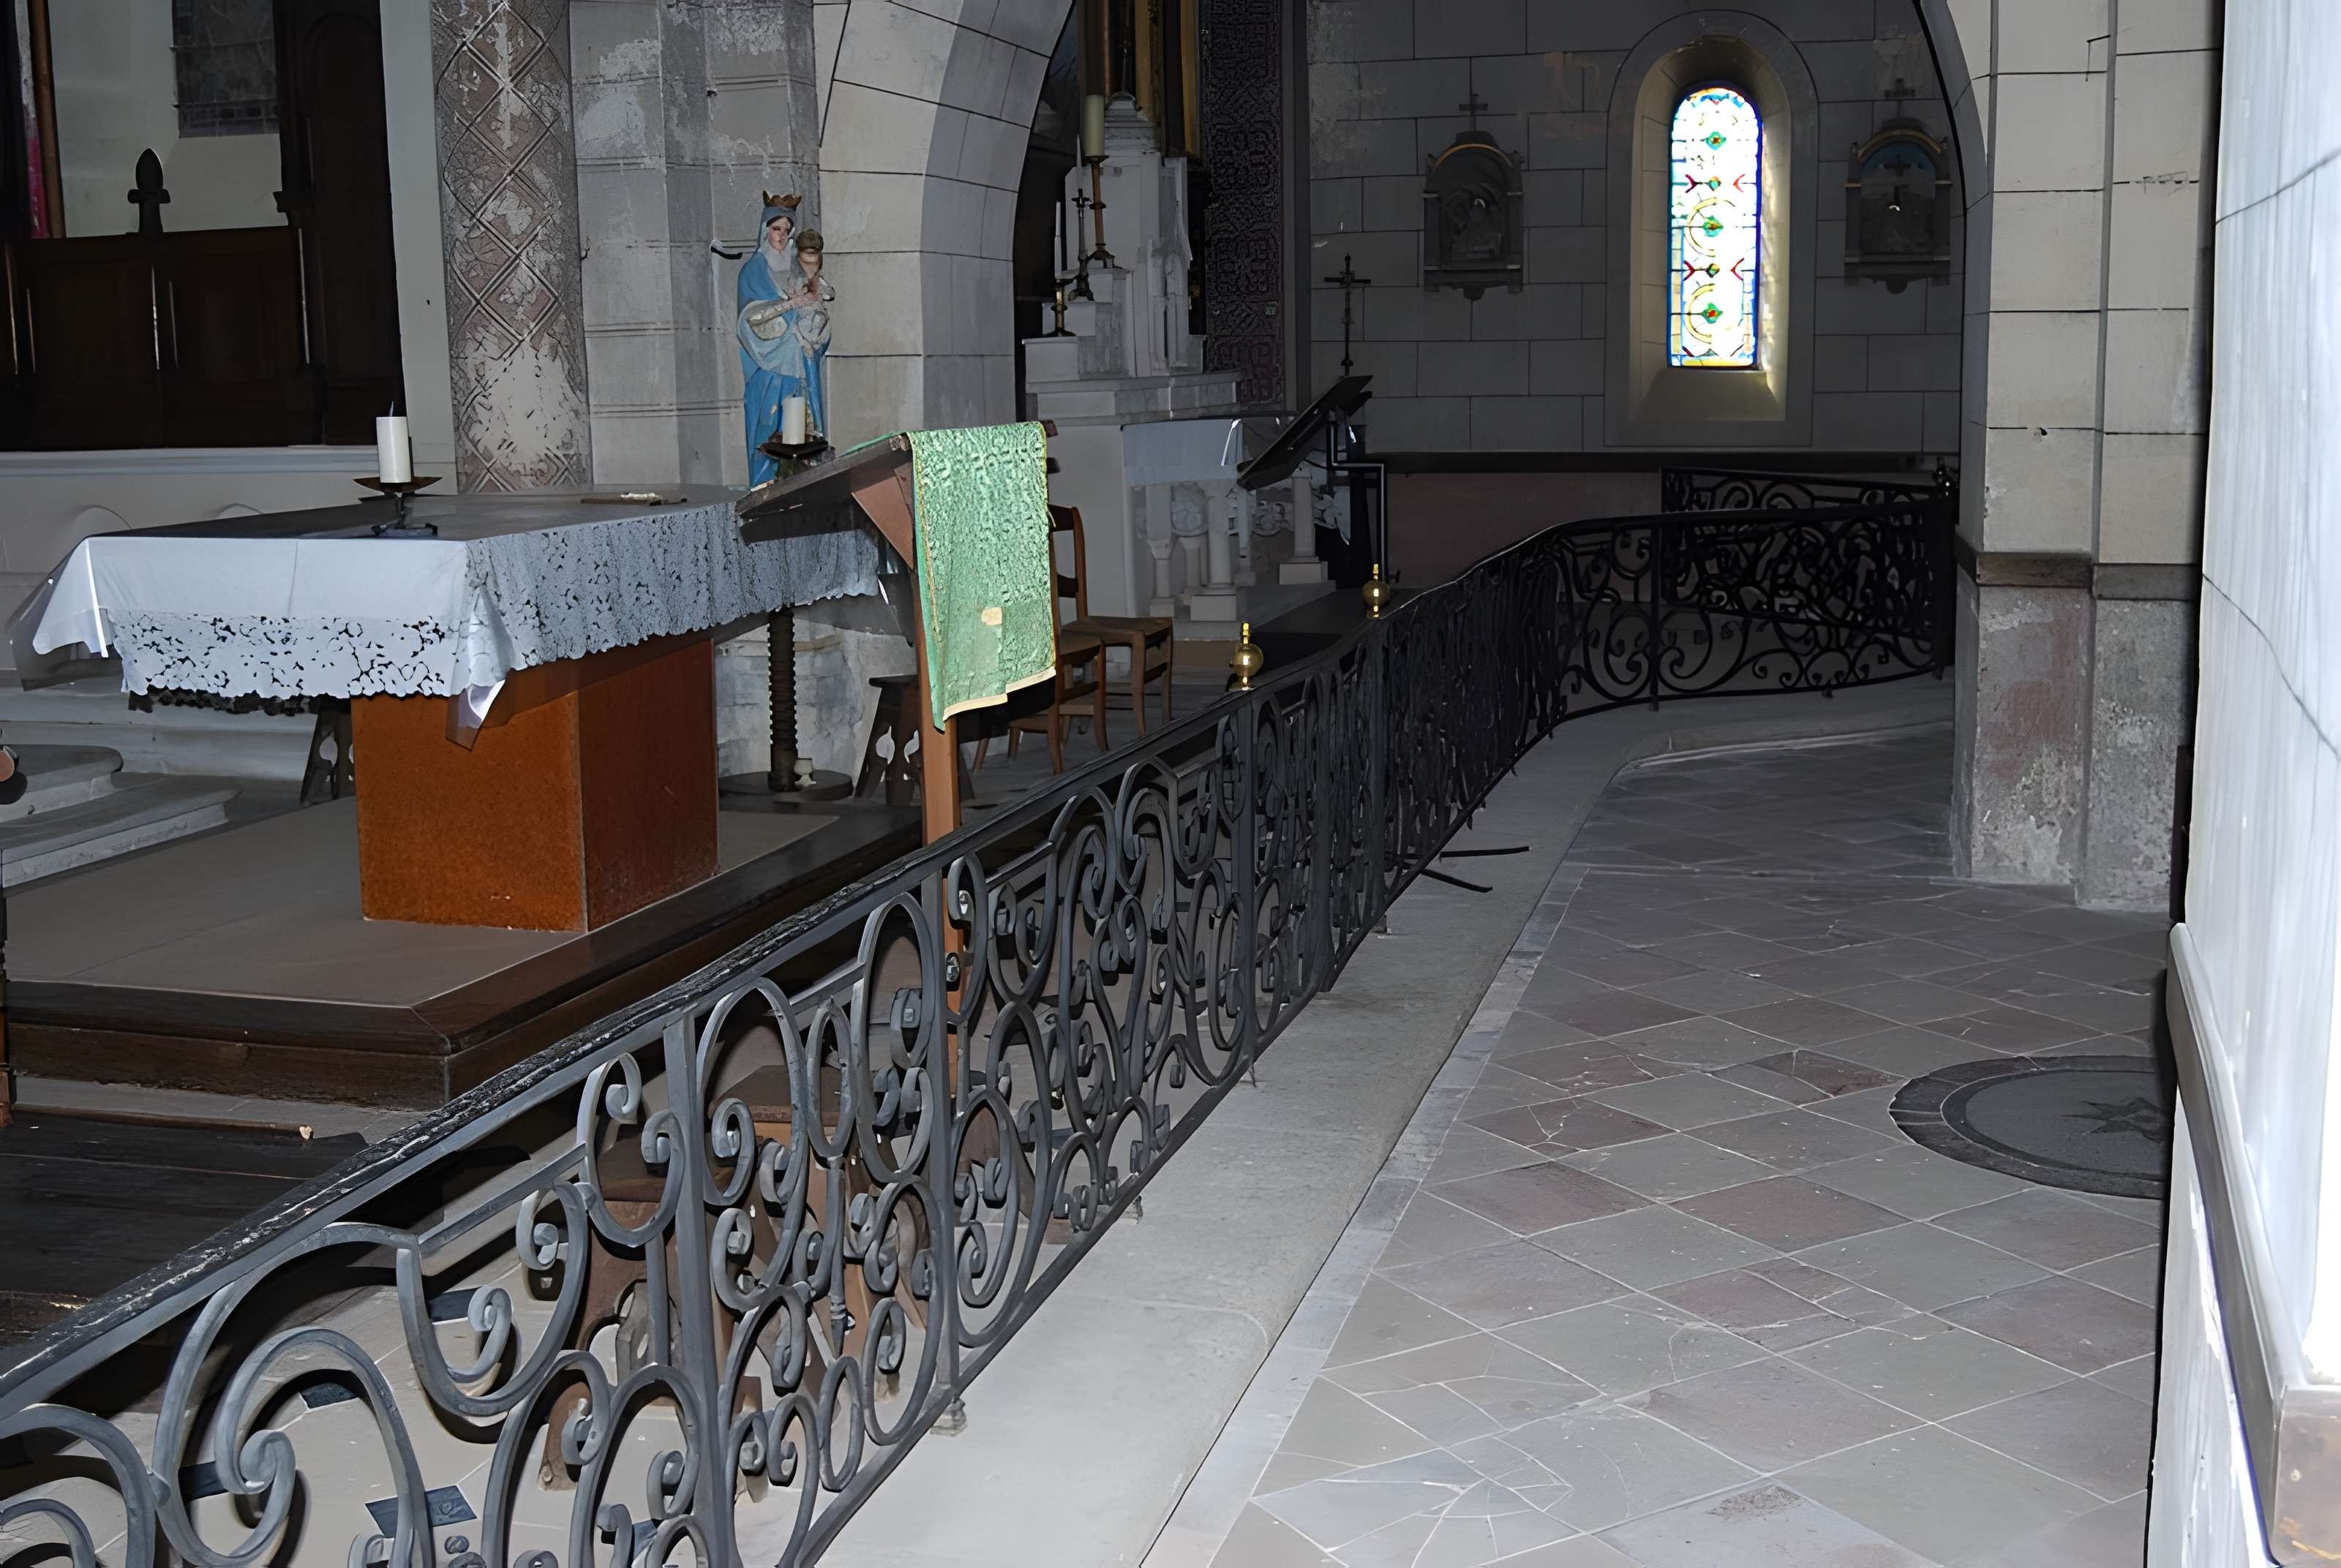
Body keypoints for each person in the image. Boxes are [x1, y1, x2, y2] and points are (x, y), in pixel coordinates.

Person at [737, 192, 814, 486]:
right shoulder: (753, 271)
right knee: (768, 424)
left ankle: (795, 482)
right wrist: (787, 312)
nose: (781, 236)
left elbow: (817, 306)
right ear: (765, 230)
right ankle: (765, 484)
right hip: (767, 367)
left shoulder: (799, 270)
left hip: (798, 363)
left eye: (786, 230)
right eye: (776, 229)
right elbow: (748, 321)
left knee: (799, 427)